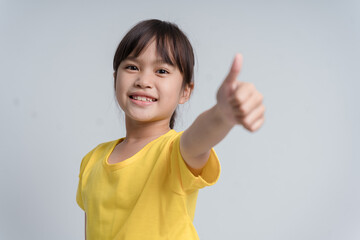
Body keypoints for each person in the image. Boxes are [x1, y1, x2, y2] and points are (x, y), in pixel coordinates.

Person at [76, 19, 265, 240]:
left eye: (162, 71)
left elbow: (198, 139)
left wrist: (222, 114)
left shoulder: (175, 152)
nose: (144, 80)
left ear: (185, 91)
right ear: (115, 77)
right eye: (132, 67)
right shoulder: (92, 161)